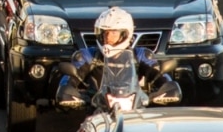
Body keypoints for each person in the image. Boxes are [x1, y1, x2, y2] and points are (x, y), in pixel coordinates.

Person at [54, 6, 182, 110]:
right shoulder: (88, 56)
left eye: (113, 34)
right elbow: (69, 78)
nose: (108, 38)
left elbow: (160, 75)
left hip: (135, 108)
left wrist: (162, 91)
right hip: (98, 111)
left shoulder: (141, 55)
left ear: (126, 34)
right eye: (105, 33)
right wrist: (72, 93)